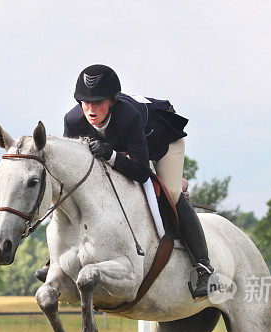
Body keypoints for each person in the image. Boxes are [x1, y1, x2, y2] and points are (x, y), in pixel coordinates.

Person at [39, 64, 214, 299]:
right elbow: (74, 176)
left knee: (170, 193)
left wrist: (111, 155)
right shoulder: (73, 120)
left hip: (160, 141)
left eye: (98, 102)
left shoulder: (127, 116)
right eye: (86, 102)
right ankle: (56, 259)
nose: (91, 109)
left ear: (112, 101)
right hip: (125, 148)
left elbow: (141, 171)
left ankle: (204, 267)